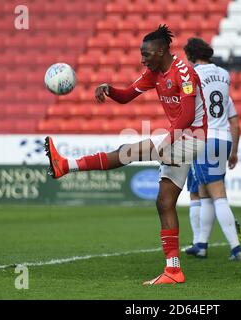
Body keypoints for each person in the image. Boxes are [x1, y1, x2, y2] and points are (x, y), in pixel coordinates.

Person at [44, 25, 207, 284]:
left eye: (147, 54)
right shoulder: (154, 72)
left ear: (162, 51)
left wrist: (167, 141)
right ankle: (173, 270)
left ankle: (66, 165)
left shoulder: (184, 73)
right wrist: (110, 90)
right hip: (181, 138)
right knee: (164, 202)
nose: (143, 59)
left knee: (126, 152)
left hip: (191, 137)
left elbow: (187, 116)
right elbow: (127, 96)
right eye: (141, 54)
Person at [183, 37, 241, 261]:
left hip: (203, 137)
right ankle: (200, 245)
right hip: (223, 138)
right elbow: (233, 117)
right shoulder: (224, 75)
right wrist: (235, 150)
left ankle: (236, 247)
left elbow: (188, 106)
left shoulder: (192, 75)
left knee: (217, 194)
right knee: (205, 192)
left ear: (190, 56)